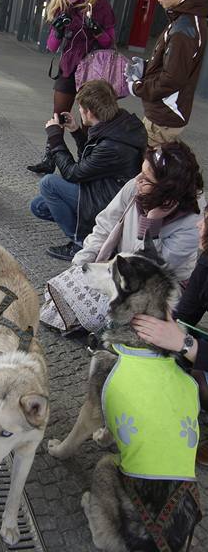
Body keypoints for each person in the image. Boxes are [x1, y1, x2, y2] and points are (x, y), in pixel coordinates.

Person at [40, 141, 205, 338]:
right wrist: (82, 260)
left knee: (113, 316)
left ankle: (99, 327)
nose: (138, 180)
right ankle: (86, 322)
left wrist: (151, 224)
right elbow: (105, 224)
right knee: (69, 285)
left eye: (147, 178)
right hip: (121, 266)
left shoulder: (193, 220)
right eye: (141, 171)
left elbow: (150, 267)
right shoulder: (136, 186)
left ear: (165, 190)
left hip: (155, 284)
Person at [30, 80, 147, 260]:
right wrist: (76, 131)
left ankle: (80, 242)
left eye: (81, 108)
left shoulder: (112, 145)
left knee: (48, 184)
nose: (79, 111)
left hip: (109, 200)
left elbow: (73, 173)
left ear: (89, 112)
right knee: (39, 206)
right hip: (105, 188)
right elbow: (91, 161)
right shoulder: (117, 124)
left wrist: (55, 138)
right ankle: (91, 229)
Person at [132, 204, 208, 465]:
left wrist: (185, 344)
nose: (200, 224)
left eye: (206, 220)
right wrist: (159, 326)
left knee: (193, 368)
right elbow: (186, 313)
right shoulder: (207, 257)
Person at [27, 0, 115, 174]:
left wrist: (96, 30)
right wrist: (57, 30)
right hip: (69, 65)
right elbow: (50, 46)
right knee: (59, 114)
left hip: (93, 68)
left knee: (90, 117)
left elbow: (109, 41)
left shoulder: (100, 3)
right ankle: (50, 158)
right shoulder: (63, 5)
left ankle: (86, 159)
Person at [125, 0, 208, 147]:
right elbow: (174, 68)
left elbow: (171, 79)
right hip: (166, 114)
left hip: (163, 119)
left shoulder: (184, 29)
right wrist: (147, 68)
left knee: (147, 173)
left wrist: (136, 87)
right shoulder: (186, 18)